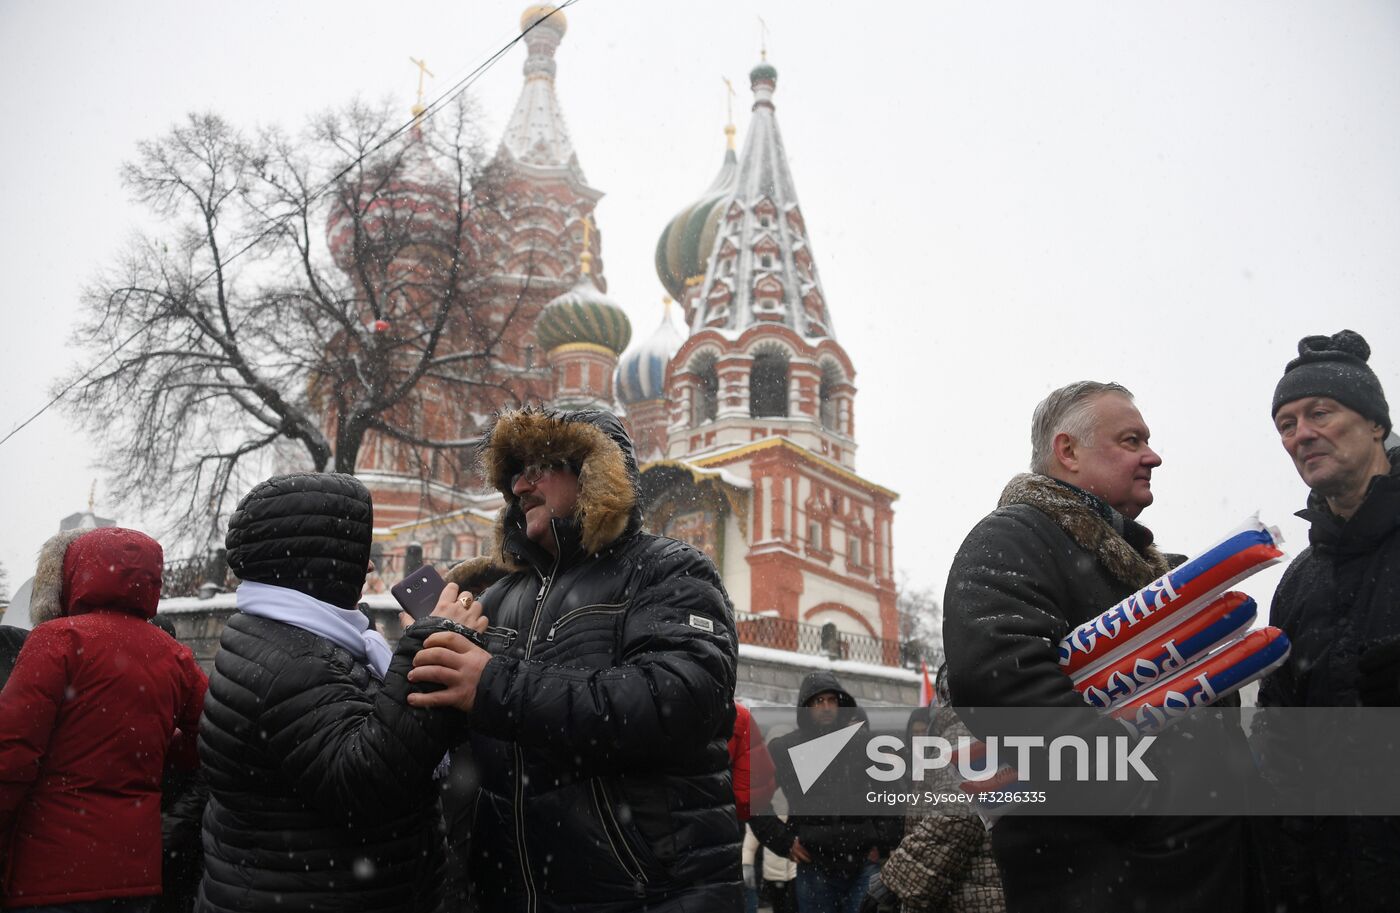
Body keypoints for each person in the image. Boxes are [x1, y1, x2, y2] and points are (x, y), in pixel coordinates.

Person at [405, 407, 741, 912]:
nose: (521, 486)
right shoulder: (497, 598)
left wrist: (491, 684)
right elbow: (463, 752)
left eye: (539, 466)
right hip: (511, 895)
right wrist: (429, 654)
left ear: (593, 470)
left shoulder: (668, 571)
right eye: (514, 472)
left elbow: (679, 701)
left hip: (645, 894)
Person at [941, 380, 1253, 912]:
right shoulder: (1016, 538)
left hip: (1190, 870)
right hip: (1111, 878)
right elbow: (1004, 685)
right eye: (1131, 441)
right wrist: (1144, 805)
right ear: (1068, 452)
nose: (1152, 456)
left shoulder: (1152, 568)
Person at [195, 472, 483, 913]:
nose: (368, 567)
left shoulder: (295, 639)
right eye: (355, 553)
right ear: (318, 564)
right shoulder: (290, 661)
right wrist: (435, 642)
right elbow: (366, 782)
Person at [1258, 329, 1400, 912]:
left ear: (1375, 424)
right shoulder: (1298, 581)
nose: (1301, 435)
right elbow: (1280, 750)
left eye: (1320, 412)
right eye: (1286, 425)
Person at [0, 527, 207, 912]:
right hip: (133, 873)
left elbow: (11, 752)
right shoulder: (174, 656)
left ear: (78, 571)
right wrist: (163, 750)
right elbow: (214, 734)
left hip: (51, 871)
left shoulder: (56, 640)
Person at [749, 671, 898, 913]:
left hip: (863, 866)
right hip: (814, 867)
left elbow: (894, 795)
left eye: (832, 700)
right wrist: (783, 841)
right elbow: (755, 797)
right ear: (806, 706)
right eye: (819, 701)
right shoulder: (786, 749)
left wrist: (881, 841)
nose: (826, 707)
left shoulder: (865, 745)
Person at [860, 666, 1006, 913]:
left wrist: (895, 882)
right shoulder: (988, 725)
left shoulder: (962, 731)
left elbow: (956, 816)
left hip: (968, 895)